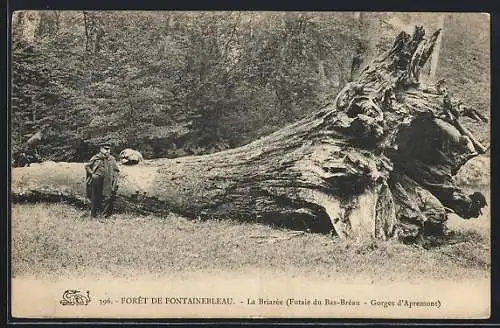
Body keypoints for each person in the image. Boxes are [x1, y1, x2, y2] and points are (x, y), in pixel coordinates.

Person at [85, 143, 120, 219]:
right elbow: (87, 166)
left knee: (107, 197)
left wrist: (114, 180)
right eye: (106, 149)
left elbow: (116, 170)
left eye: (109, 149)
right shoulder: (96, 157)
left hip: (107, 180)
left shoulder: (112, 159)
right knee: (95, 196)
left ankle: (103, 215)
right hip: (97, 179)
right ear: (101, 149)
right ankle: (93, 215)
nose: (108, 151)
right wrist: (92, 174)